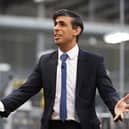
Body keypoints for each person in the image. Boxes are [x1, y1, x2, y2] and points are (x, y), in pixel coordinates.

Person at [0, 9, 129, 129]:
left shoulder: (93, 62)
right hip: (52, 125)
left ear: (76, 30)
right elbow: (25, 90)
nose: (56, 28)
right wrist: (2, 105)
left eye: (62, 24)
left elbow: (107, 91)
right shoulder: (45, 62)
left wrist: (115, 104)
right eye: (55, 24)